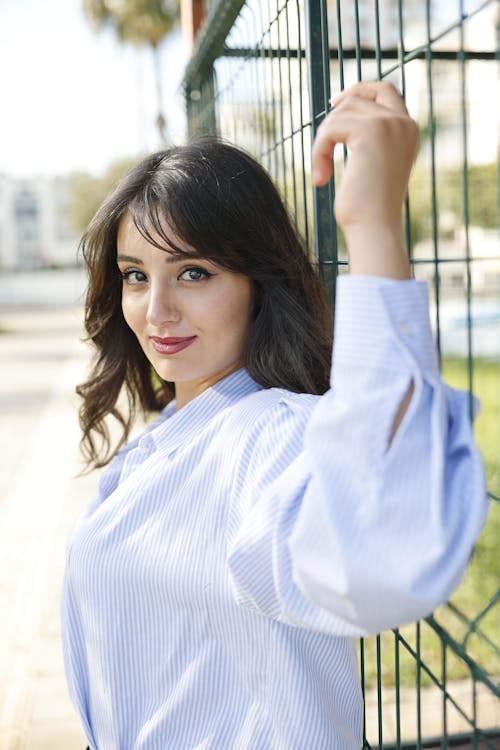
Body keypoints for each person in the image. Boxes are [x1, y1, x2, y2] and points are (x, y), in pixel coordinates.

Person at [62, 81, 488, 750]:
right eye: (136, 275)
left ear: (259, 283)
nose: (157, 310)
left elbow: (377, 550)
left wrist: (373, 224)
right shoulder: (169, 437)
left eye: (194, 272)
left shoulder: (269, 437)